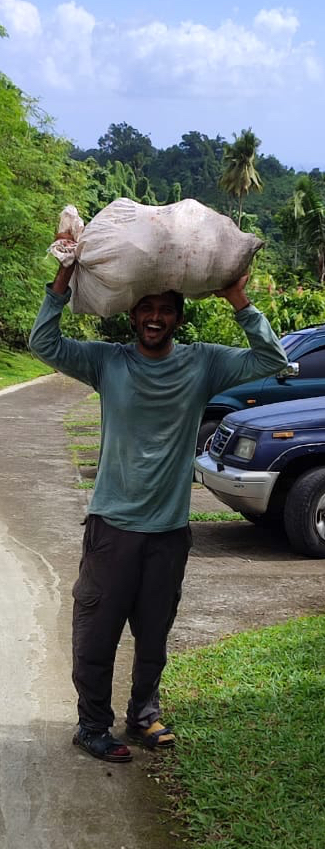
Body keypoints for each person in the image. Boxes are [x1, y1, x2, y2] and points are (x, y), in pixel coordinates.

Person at [29, 243, 287, 763]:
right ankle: (92, 725)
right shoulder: (107, 362)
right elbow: (44, 342)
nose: (154, 317)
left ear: (177, 315)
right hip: (113, 527)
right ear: (131, 313)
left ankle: (144, 714)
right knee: (98, 632)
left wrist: (239, 299)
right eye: (146, 307)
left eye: (165, 308)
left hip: (169, 530)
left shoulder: (204, 363)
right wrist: (63, 274)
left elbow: (272, 360)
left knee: (153, 631)